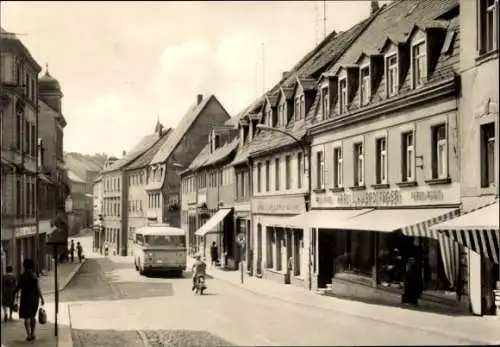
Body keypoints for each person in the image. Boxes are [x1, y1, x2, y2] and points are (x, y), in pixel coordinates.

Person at [13, 259, 45, 341]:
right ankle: (33, 333)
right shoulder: (34, 276)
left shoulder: (22, 276)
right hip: (34, 298)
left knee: (26, 317)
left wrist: (13, 293)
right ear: (32, 266)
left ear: (24, 266)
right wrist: (42, 298)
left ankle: (29, 334)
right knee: (32, 316)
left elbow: (18, 287)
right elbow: (38, 288)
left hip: (25, 298)